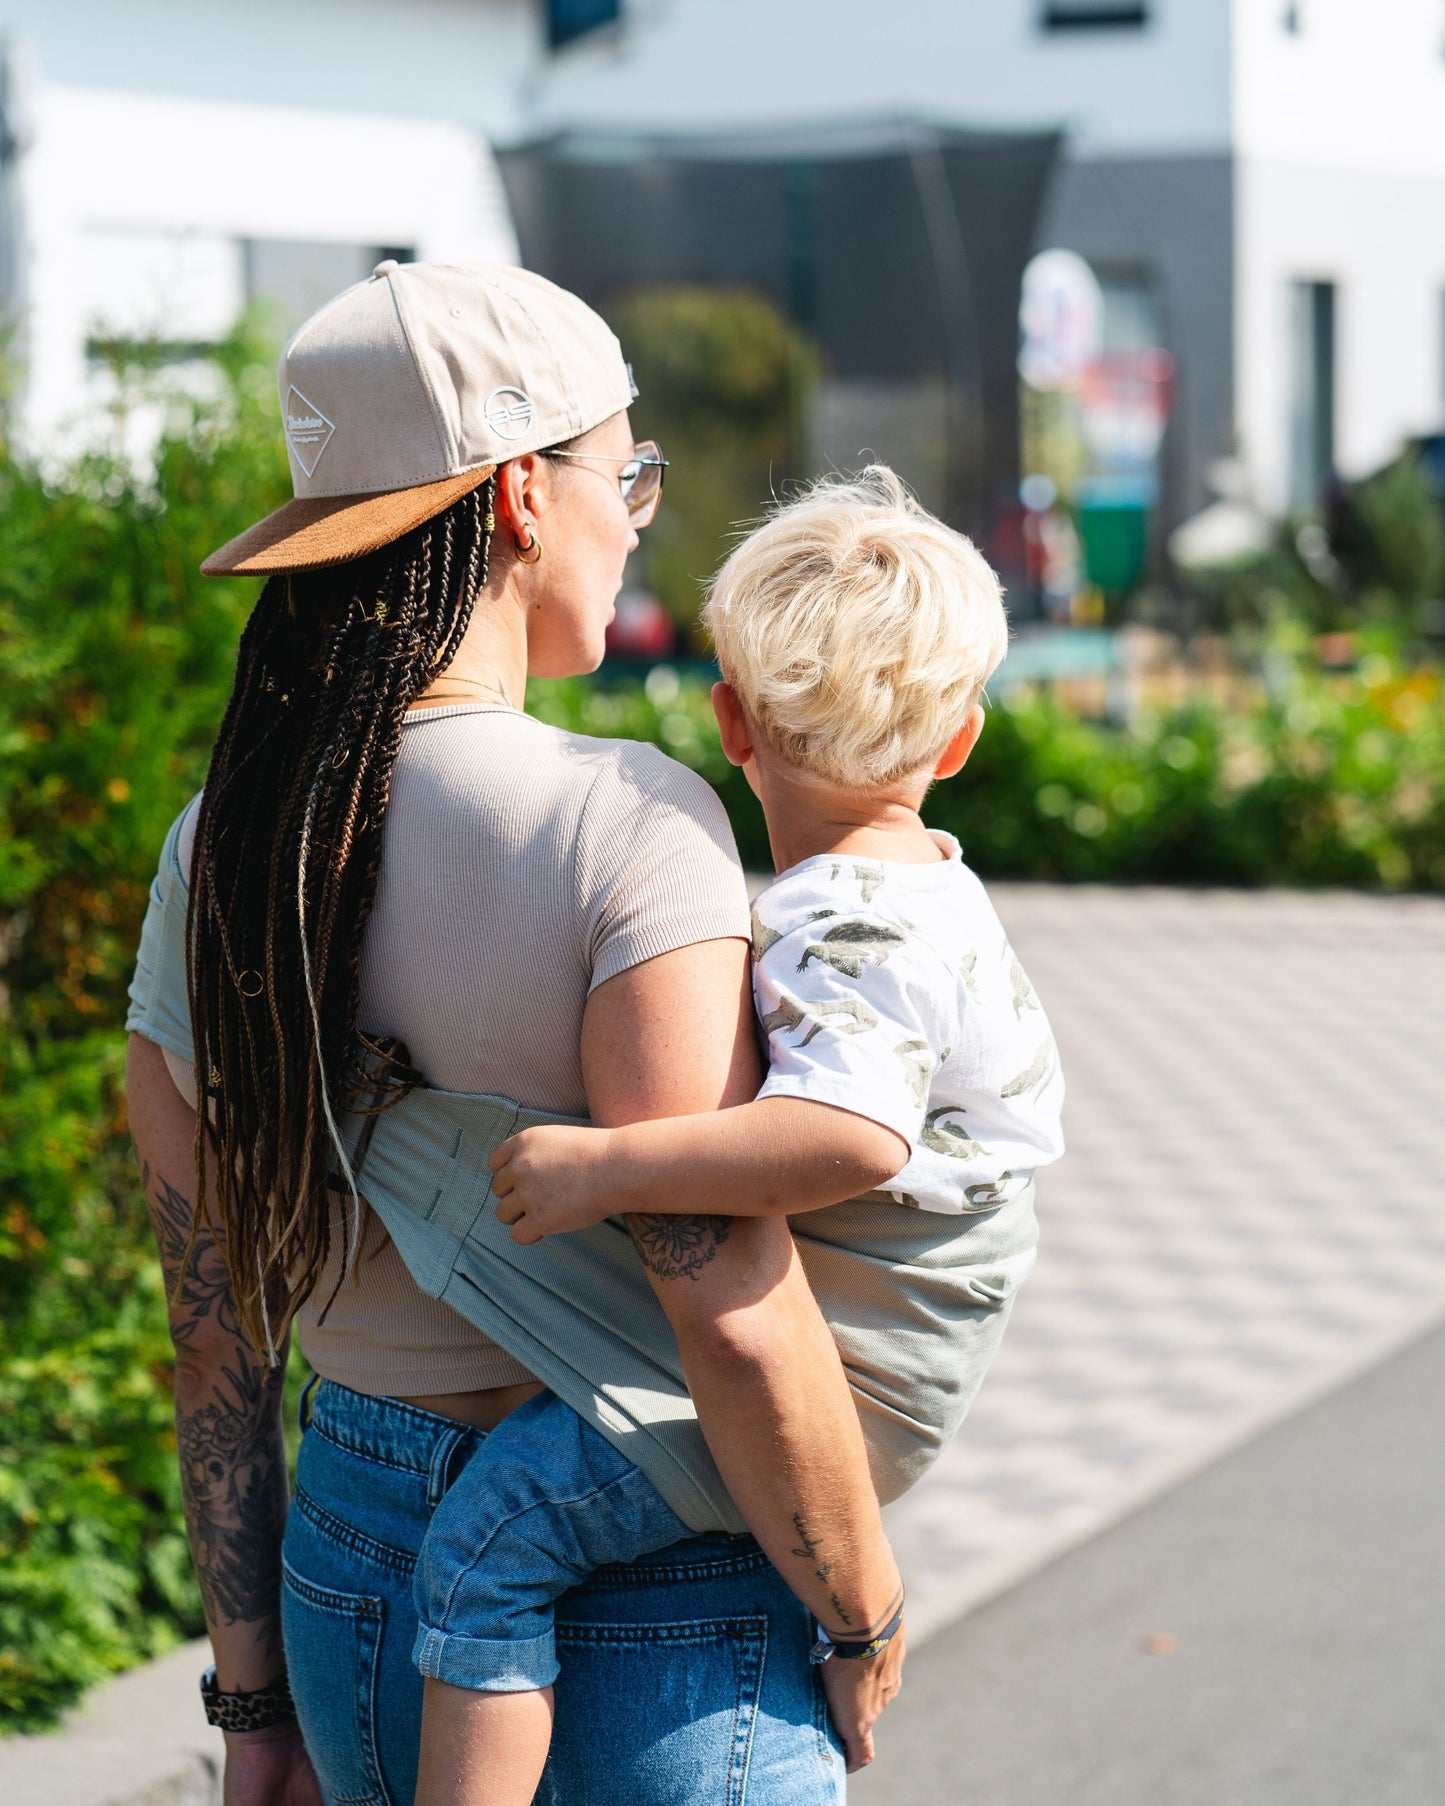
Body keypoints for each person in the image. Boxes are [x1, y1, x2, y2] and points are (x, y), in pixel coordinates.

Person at [124, 260, 905, 1806]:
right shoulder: (629, 822)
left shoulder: (221, 852)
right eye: (625, 471)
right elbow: (728, 1298)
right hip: (646, 1579)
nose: (637, 515)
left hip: (351, 1563)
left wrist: (251, 1701)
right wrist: (862, 1595)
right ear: (517, 501)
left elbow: (213, 1325)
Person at [404, 468, 1066, 1805]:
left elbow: (848, 1139)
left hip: (867, 1367)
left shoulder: (847, 922)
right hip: (910, 1340)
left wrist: (610, 1164)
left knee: (488, 1542)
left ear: (729, 722)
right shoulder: (924, 884)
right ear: (957, 745)